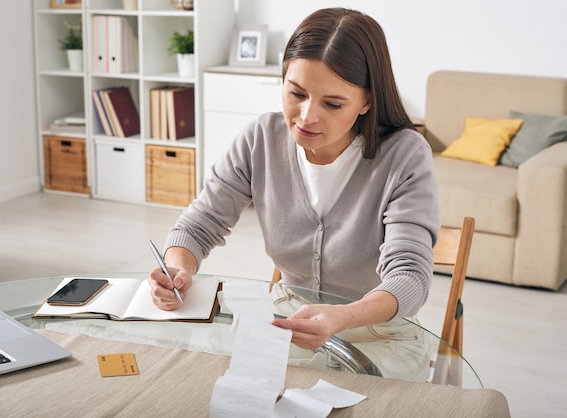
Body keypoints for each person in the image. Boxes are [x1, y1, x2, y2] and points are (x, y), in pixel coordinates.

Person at [149, 7, 439, 380]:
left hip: (378, 333)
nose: (306, 116)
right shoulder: (261, 139)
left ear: (367, 101)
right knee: (201, 376)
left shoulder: (404, 156)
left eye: (332, 104)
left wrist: (344, 316)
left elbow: (410, 277)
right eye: (296, 93)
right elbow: (200, 224)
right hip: (287, 322)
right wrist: (177, 268)